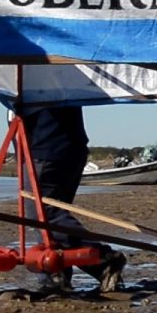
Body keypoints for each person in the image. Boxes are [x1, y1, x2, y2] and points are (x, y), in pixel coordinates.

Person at [21, 106, 126, 293]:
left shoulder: (38, 83)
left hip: (48, 150)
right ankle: (55, 275)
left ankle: (102, 260)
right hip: (61, 148)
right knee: (48, 217)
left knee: (44, 214)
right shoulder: (52, 82)